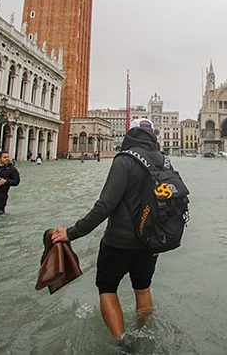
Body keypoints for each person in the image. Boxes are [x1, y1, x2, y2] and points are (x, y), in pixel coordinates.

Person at [51, 118, 164, 340]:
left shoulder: (125, 160)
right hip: (151, 241)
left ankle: (121, 342)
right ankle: (144, 334)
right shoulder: (163, 161)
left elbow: (105, 205)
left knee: (107, 287)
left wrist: (72, 232)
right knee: (142, 288)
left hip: (119, 242)